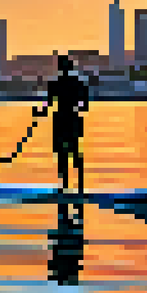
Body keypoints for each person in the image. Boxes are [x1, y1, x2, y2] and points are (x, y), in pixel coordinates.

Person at [35, 54, 88, 192]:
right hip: (73, 118)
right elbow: (85, 105)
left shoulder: (55, 83)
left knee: (62, 154)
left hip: (61, 119)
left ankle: (64, 186)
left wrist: (40, 112)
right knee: (75, 151)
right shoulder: (78, 83)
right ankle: (80, 185)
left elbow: (49, 104)